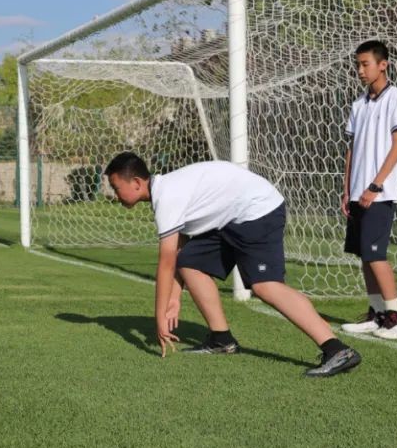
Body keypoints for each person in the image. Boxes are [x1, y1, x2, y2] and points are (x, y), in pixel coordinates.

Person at [104, 152, 361, 378]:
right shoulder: (166, 190)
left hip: (257, 211)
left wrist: (159, 317)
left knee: (265, 287)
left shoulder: (166, 197)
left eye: (116, 188)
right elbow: (180, 250)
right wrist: (174, 298)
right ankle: (221, 339)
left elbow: (165, 262)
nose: (115, 195)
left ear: (137, 183)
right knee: (191, 262)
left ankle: (337, 350)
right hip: (231, 218)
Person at [339, 40, 397, 339]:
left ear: (383, 64)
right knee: (363, 255)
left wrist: (375, 185)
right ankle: (376, 314)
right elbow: (352, 150)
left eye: (365, 63)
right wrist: (347, 191)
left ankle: (396, 318)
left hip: (379, 193)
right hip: (358, 193)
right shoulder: (359, 104)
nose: (360, 70)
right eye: (357, 64)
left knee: (376, 255)